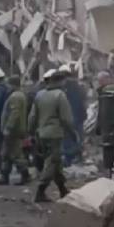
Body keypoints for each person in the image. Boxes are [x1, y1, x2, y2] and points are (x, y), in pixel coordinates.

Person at [28, 71, 75, 203]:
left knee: (56, 163)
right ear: (60, 81)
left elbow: (32, 117)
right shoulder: (60, 95)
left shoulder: (40, 95)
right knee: (51, 162)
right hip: (54, 134)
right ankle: (40, 191)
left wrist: (31, 132)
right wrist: (73, 133)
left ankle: (62, 189)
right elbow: (66, 119)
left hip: (41, 134)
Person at [0, 76, 30, 185]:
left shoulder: (15, 97)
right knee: (6, 154)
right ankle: (4, 175)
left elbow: (15, 113)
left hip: (14, 131)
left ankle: (25, 174)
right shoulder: (19, 95)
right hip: (15, 130)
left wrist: (8, 127)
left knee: (16, 154)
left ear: (12, 84)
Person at [59, 64, 87, 167]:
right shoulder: (79, 86)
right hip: (78, 116)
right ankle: (78, 155)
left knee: (68, 138)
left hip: (68, 117)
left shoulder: (62, 87)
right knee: (78, 136)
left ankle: (68, 159)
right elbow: (83, 102)